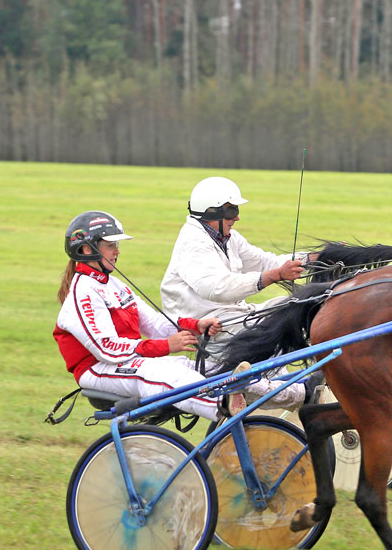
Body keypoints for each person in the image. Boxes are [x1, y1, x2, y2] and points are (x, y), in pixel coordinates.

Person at [160, 176, 318, 407]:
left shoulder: (228, 237)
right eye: (231, 210)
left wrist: (313, 258)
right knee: (275, 327)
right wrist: (275, 276)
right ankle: (296, 393)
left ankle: (288, 380)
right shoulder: (193, 242)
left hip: (231, 314)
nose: (237, 216)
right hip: (208, 324)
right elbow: (218, 288)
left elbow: (267, 262)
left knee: (290, 306)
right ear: (211, 212)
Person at [54, 210, 225, 422]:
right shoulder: (83, 293)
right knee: (169, 377)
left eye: (117, 245)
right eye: (111, 245)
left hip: (126, 362)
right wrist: (164, 347)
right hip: (97, 369)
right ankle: (226, 410)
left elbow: (154, 324)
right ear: (87, 249)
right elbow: (106, 349)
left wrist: (195, 325)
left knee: (205, 368)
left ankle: (273, 391)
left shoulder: (115, 285)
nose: (117, 251)